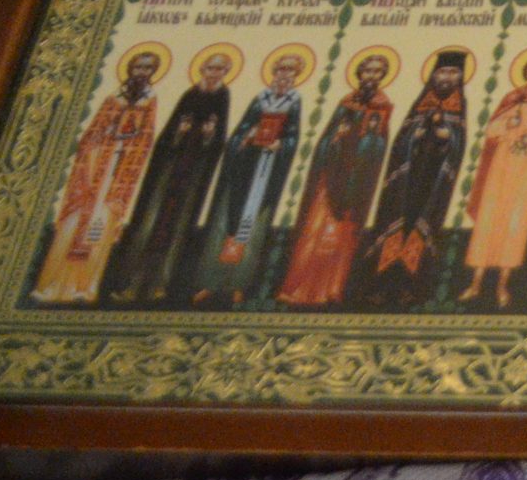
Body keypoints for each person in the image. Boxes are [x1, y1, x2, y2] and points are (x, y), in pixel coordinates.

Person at [32, 47, 167, 305]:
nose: (142, 72)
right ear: (130, 68)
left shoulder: (150, 102)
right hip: (94, 175)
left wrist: (126, 147)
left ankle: (85, 288)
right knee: (73, 227)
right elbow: (91, 135)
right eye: (138, 67)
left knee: (101, 228)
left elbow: (145, 139)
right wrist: (104, 142)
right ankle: (53, 286)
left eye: (148, 68)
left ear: (153, 72)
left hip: (116, 177)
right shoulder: (112, 99)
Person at [104, 46, 233, 305]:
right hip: (169, 173)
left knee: (177, 230)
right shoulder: (190, 94)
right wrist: (179, 132)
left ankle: (161, 285)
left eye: (220, 69)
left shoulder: (223, 97)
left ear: (225, 73)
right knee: (149, 226)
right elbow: (166, 138)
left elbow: (218, 140)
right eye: (211, 67)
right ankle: (130, 283)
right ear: (202, 69)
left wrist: (208, 136)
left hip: (193, 177)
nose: (214, 73)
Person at [275, 50, 395, 307]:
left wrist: (369, 138)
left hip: (354, 185)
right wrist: (336, 139)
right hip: (329, 181)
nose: (371, 76)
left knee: (342, 238)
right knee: (313, 233)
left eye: (377, 72)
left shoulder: (382, 105)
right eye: (368, 71)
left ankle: (330, 290)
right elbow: (326, 141)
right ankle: (297, 288)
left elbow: (378, 148)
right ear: (360, 73)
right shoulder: (346, 102)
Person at [185, 48, 305, 305]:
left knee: (253, 228)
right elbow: (239, 132)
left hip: (266, 171)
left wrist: (281, 144)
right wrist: (244, 138)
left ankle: (238, 283)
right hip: (243, 169)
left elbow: (293, 137)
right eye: (281, 69)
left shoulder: (294, 102)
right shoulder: (260, 99)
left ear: (296, 76)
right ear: (274, 72)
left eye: (290, 71)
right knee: (224, 224)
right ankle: (211, 282)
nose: (284, 75)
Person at [354, 50, 470, 309]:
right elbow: (401, 139)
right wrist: (415, 135)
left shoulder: (459, 107)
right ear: (434, 75)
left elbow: (457, 144)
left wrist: (445, 136)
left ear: (459, 77)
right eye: (442, 72)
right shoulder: (421, 104)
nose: (446, 77)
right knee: (393, 227)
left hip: (432, 185)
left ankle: (411, 289)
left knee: (421, 229)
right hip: (405, 182)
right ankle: (376, 287)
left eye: (452, 73)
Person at [458, 51, 527, 309]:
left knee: (516, 217)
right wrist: (508, 124)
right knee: (490, 215)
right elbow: (492, 129)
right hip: (503, 161)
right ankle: (475, 283)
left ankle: (502, 286)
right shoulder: (512, 98)